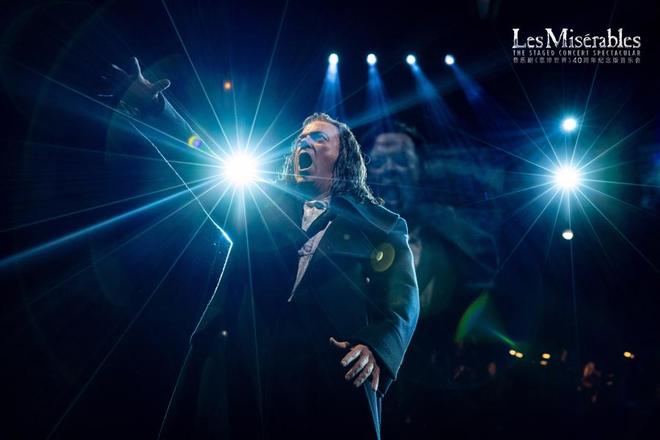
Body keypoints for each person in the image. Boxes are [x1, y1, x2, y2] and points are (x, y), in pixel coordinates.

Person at [105, 57, 419, 439]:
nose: (305, 142)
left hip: (326, 372)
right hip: (243, 363)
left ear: (343, 156)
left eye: (319, 138)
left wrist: (376, 348)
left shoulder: (381, 224)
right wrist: (157, 109)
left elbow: (402, 302)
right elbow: (201, 160)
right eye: (301, 139)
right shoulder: (262, 211)